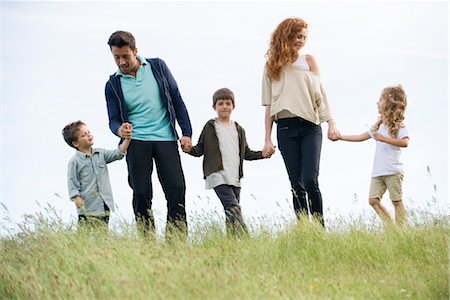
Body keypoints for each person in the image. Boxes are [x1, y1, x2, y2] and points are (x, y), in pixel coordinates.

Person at [104, 31, 192, 238]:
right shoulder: (112, 85)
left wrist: (186, 132)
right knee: (142, 193)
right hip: (136, 142)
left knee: (176, 188)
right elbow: (113, 119)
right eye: (116, 57)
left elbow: (177, 100)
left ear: (135, 51)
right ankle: (147, 242)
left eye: (125, 56)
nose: (121, 61)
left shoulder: (158, 67)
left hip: (165, 138)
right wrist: (119, 129)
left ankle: (177, 242)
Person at [261, 18, 339, 226]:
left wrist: (331, 122)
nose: (302, 41)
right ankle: (305, 230)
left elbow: (321, 94)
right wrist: (267, 140)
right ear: (286, 35)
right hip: (285, 128)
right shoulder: (271, 66)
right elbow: (268, 105)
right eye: (298, 36)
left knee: (310, 180)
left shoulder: (309, 60)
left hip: (311, 127)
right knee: (296, 184)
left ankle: (319, 229)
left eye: (304, 37)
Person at [183, 88, 270, 236]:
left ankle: (231, 244)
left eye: (228, 103)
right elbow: (199, 150)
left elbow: (246, 153)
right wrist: (189, 149)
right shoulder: (211, 126)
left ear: (233, 106)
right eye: (221, 103)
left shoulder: (239, 129)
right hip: (217, 174)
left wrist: (262, 154)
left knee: (231, 212)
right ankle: (247, 240)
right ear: (214, 107)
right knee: (233, 206)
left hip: (235, 177)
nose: (224, 106)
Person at [338, 85, 409, 226]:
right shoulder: (378, 126)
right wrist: (340, 137)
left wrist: (384, 139)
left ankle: (401, 232)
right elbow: (359, 137)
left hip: (393, 170)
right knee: (373, 200)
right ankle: (391, 227)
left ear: (390, 103)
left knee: (396, 201)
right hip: (378, 171)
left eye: (381, 99)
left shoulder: (399, 125)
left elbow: (405, 142)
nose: (377, 102)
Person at [63, 120, 131, 229]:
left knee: (102, 235)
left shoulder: (101, 154)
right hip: (87, 207)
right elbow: (72, 181)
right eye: (84, 135)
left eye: (88, 132)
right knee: (84, 237)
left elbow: (118, 154)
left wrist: (127, 138)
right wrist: (76, 197)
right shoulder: (74, 161)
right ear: (76, 143)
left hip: (104, 205)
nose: (89, 135)